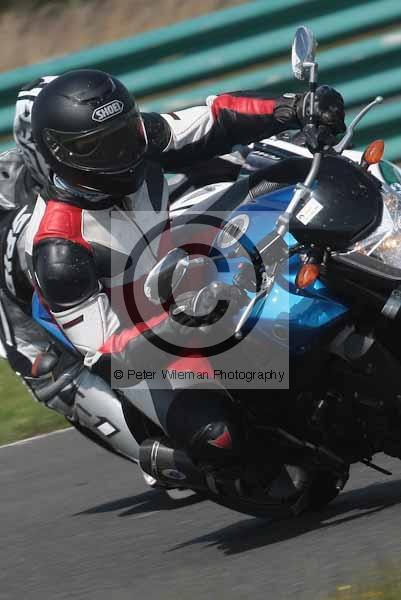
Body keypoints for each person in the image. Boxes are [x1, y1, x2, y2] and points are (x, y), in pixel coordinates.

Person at [25, 69, 345, 472]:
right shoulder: (59, 249)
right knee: (219, 437)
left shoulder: (140, 138)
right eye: (101, 147)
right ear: (62, 153)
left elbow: (217, 118)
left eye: (124, 134)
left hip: (190, 271)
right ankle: (177, 461)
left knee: (300, 237)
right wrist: (174, 324)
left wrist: (293, 107)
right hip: (149, 342)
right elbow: (108, 354)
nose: (124, 152)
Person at [0, 77, 146, 467]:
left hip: (111, 281)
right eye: (84, 145)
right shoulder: (13, 198)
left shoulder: (120, 156)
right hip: (37, 321)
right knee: (53, 375)